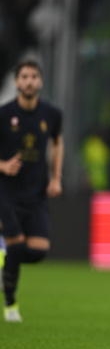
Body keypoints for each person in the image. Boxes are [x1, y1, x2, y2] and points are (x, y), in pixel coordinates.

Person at [0, 59, 64, 322]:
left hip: (36, 193)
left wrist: (56, 177)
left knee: (38, 251)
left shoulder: (52, 114)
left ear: (39, 81)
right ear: (17, 82)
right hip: (7, 192)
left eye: (33, 76)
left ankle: (5, 251)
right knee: (17, 246)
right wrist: (2, 165)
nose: (28, 81)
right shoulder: (4, 114)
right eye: (24, 76)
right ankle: (11, 305)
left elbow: (57, 143)